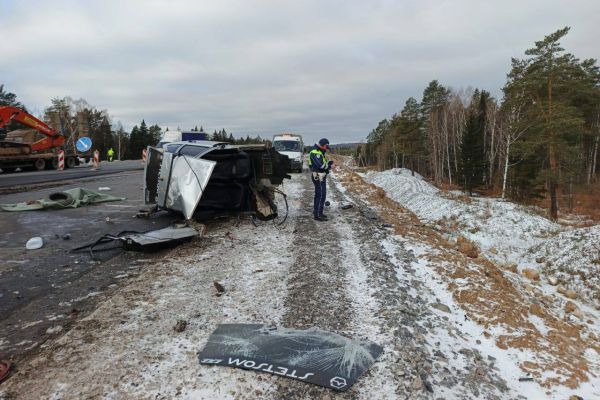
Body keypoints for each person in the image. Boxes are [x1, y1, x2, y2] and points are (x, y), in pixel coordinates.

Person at [308, 138, 334, 221]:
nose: (326, 149)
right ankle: (318, 215)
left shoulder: (319, 151)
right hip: (318, 176)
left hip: (321, 175)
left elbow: (323, 164)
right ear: (323, 145)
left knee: (322, 195)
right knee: (320, 195)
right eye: (326, 147)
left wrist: (329, 163)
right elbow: (320, 165)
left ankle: (319, 212)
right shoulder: (315, 152)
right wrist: (330, 167)